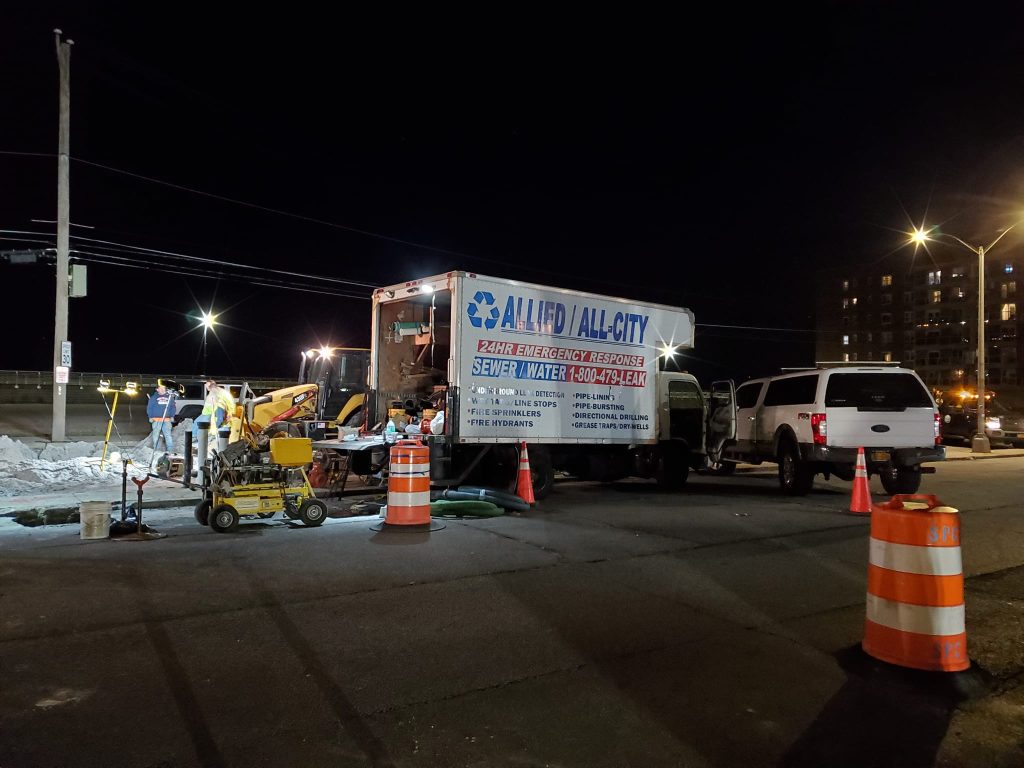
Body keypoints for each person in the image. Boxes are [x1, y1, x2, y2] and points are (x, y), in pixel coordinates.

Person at [147, 383, 177, 455]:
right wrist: (150, 417)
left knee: (168, 435)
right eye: (160, 388)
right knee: (156, 435)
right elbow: (149, 408)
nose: (162, 389)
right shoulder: (153, 397)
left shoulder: (170, 397)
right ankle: (156, 451)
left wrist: (172, 416)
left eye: (164, 388)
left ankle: (170, 451)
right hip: (156, 420)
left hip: (167, 420)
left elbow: (173, 407)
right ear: (157, 389)